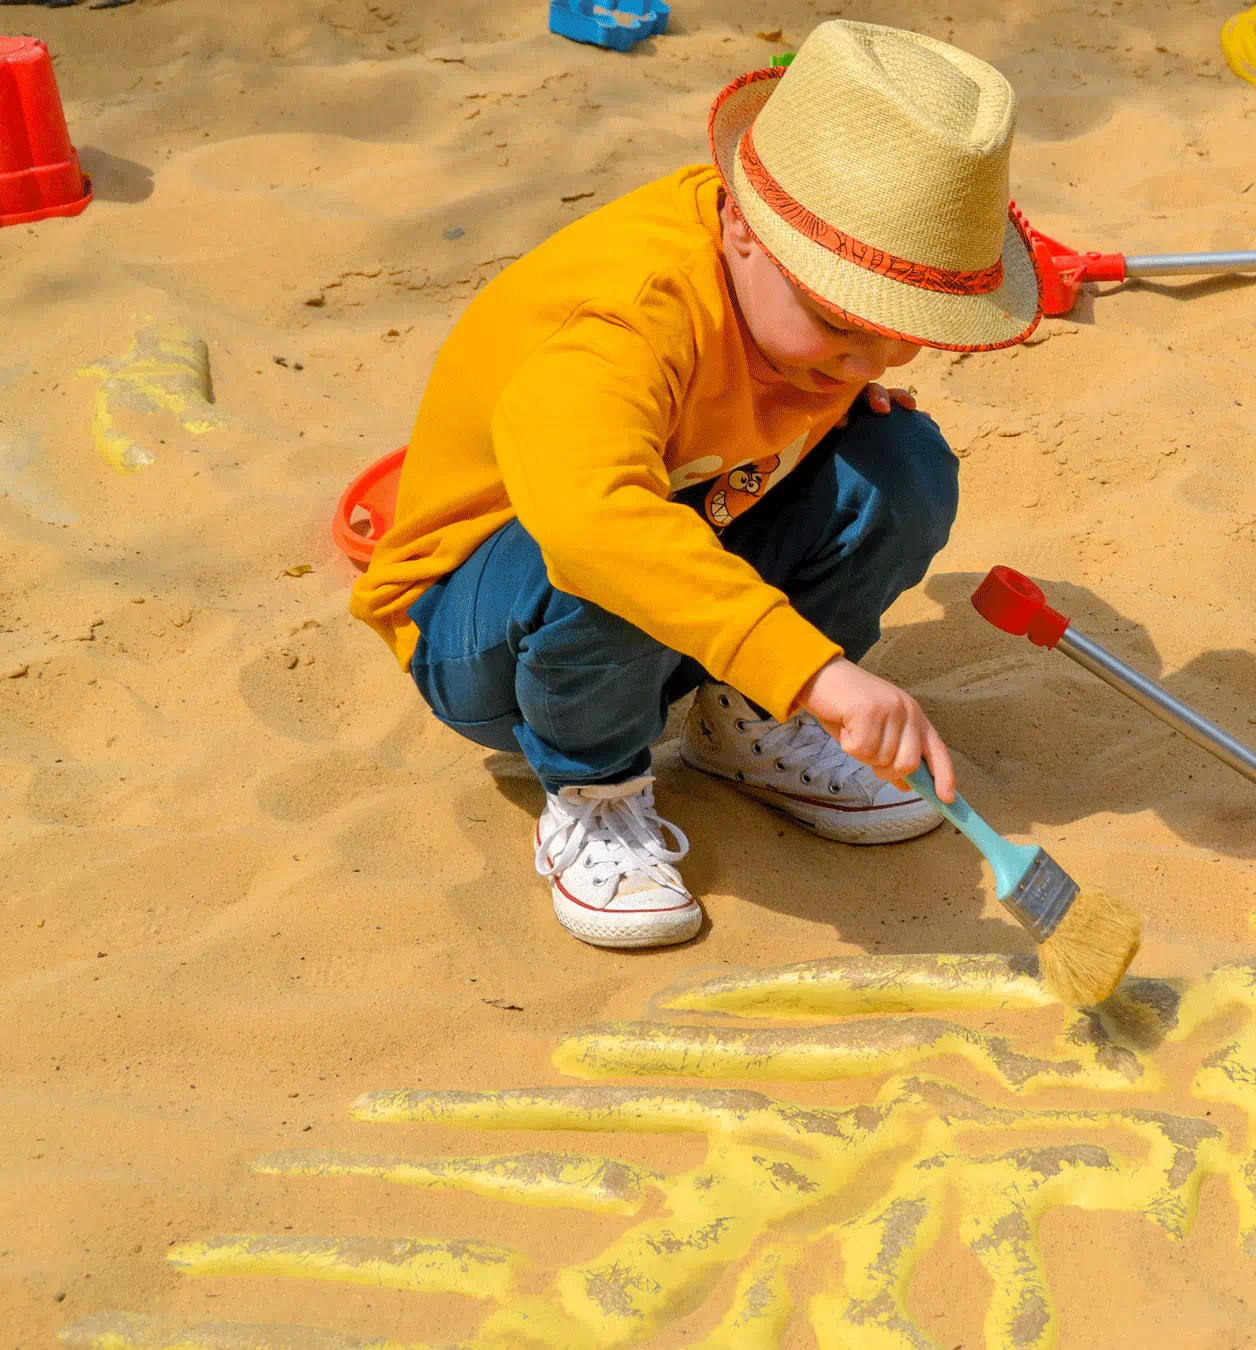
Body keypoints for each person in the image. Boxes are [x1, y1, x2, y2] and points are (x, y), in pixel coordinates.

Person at [348, 21, 1043, 949]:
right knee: (622, 564)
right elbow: (598, 529)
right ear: (742, 229)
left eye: (901, 327)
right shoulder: (628, 315)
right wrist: (821, 673)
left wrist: (846, 383)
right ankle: (592, 790)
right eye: (844, 319)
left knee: (902, 466)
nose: (868, 355)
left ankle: (744, 722)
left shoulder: (805, 329)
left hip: (693, 538)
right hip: (489, 625)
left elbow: (792, 385)